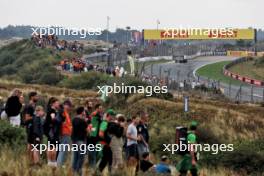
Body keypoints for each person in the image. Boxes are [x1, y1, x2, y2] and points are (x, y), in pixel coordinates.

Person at [44, 97, 60, 167]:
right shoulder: (52, 111)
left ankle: (50, 162)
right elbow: (53, 120)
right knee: (53, 146)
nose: (58, 104)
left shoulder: (50, 111)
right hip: (52, 131)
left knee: (50, 146)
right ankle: (52, 162)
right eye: (57, 103)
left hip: (50, 131)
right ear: (53, 104)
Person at [71, 107, 88, 176]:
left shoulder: (74, 120)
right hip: (81, 141)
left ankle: (74, 171)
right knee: (81, 158)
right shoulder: (82, 121)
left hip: (74, 140)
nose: (85, 112)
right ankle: (78, 172)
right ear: (82, 112)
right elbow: (87, 131)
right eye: (84, 111)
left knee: (75, 157)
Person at [57, 100, 73, 167]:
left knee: (64, 150)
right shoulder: (62, 112)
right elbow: (61, 122)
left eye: (70, 106)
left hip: (67, 133)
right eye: (69, 105)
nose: (70, 107)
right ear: (65, 105)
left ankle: (61, 164)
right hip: (64, 133)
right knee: (63, 150)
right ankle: (59, 165)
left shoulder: (66, 113)